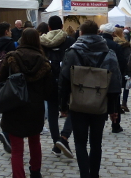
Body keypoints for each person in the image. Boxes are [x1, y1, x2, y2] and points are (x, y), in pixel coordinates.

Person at [60, 20, 122, 178]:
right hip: (100, 103)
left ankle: (84, 175)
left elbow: (64, 80)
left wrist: (63, 105)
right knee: (96, 143)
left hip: (78, 102)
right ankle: (94, 174)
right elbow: (115, 83)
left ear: (80, 33)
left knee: (80, 142)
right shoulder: (109, 52)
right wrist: (113, 109)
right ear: (98, 33)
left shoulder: (72, 52)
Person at [0, 28, 53, 178]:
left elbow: (0, 80)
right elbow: (49, 91)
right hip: (34, 107)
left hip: (14, 105)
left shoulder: (12, 58)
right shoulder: (43, 62)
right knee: (35, 142)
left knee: (16, 148)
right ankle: (35, 172)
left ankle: (19, 176)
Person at [40, 15, 75, 159]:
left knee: (53, 113)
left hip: (48, 79)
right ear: (62, 26)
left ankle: (57, 143)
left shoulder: (41, 41)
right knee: (74, 109)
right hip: (67, 79)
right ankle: (63, 138)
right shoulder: (70, 40)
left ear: (48, 27)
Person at [98, 23, 128, 133]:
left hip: (98, 76)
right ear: (113, 33)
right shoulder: (116, 46)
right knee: (115, 101)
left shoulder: (97, 44)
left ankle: (99, 123)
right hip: (113, 77)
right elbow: (122, 62)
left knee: (99, 99)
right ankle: (115, 125)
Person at [112, 27, 131, 113]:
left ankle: (117, 104)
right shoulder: (125, 44)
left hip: (115, 68)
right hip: (125, 68)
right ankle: (124, 102)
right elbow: (128, 58)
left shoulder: (112, 43)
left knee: (118, 87)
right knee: (126, 86)